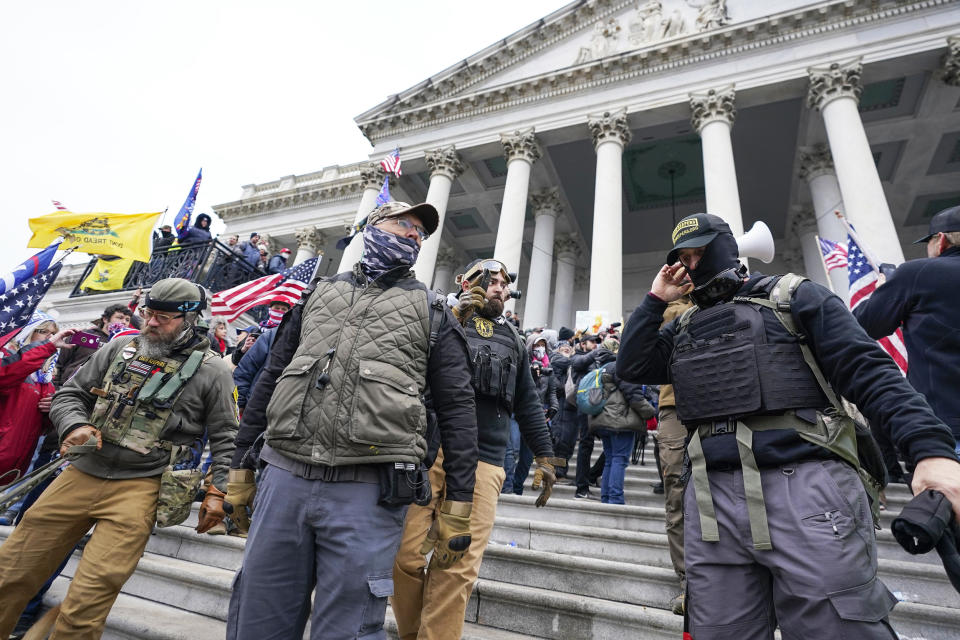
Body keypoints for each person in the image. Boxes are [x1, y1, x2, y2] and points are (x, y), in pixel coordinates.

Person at [617, 212, 960, 638]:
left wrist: (930, 450)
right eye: (684, 257)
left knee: (836, 626)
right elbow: (631, 365)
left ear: (725, 249)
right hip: (710, 500)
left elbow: (868, 370)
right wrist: (656, 300)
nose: (692, 264)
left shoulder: (796, 296)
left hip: (806, 488)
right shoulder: (684, 325)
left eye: (700, 253)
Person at [225, 200, 478, 640]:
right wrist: (238, 468)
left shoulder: (435, 313)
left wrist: (458, 504)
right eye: (403, 225)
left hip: (369, 489)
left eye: (420, 232)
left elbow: (457, 409)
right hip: (284, 475)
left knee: (348, 627)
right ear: (372, 228)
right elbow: (270, 378)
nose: (413, 236)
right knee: (258, 617)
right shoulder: (315, 296)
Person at [0, 278, 239, 639]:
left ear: (190, 320)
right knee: (11, 572)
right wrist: (74, 426)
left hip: (141, 486)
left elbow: (227, 437)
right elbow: (71, 395)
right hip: (80, 472)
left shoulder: (214, 370)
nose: (151, 322)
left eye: (163, 317)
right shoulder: (119, 347)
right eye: (147, 313)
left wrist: (219, 493)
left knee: (88, 601)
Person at [391, 258, 558, 640]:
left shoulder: (514, 339)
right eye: (489, 280)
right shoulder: (437, 317)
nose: (499, 287)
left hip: (486, 460)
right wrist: (455, 320)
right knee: (405, 556)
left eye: (504, 283)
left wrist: (545, 456)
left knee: (458, 565)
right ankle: (411, 633)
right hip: (430, 451)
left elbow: (528, 403)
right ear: (463, 281)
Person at [853, 205, 960, 453]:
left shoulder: (918, 274)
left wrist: (883, 289)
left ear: (941, 240)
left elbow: (862, 326)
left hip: (948, 426)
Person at [652, 294, 693, 614]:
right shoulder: (672, 308)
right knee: (677, 495)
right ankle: (689, 581)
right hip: (676, 408)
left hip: (725, 402)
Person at [0, 313, 75, 486]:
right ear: (27, 332)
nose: (51, 337)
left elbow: (41, 428)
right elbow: (8, 374)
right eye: (44, 331)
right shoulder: (5, 357)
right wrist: (47, 347)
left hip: (13, 470)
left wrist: (51, 410)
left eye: (53, 333)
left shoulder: (44, 378)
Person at [589, 338, 655, 505]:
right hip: (620, 421)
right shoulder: (621, 367)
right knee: (619, 459)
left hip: (603, 421)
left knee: (611, 459)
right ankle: (616, 498)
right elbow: (634, 395)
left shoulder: (601, 369)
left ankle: (606, 497)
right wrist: (650, 413)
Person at [52, 303, 131, 386]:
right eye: (120, 318)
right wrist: (55, 388)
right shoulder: (83, 335)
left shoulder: (124, 345)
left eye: (127, 320)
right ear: (105, 319)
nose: (124, 322)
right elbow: (58, 363)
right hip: (69, 388)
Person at [570, 333, 604, 499]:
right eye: (592, 342)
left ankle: (591, 475)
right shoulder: (577, 357)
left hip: (597, 405)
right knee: (586, 444)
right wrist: (598, 351)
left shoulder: (595, 359)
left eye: (597, 342)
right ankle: (581, 488)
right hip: (585, 405)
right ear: (583, 344)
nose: (595, 344)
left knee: (611, 443)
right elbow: (580, 363)